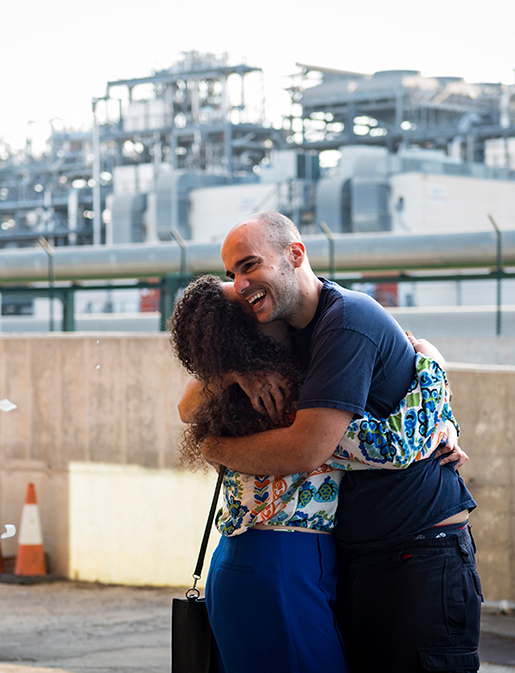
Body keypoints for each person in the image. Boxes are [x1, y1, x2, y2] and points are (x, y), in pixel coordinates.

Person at [197, 212, 481, 673]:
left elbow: (308, 448)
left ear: (295, 254)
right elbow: (189, 401)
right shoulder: (288, 332)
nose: (241, 282)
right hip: (354, 555)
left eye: (250, 265)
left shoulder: (345, 320)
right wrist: (236, 369)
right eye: (232, 273)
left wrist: (216, 450)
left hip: (417, 552)